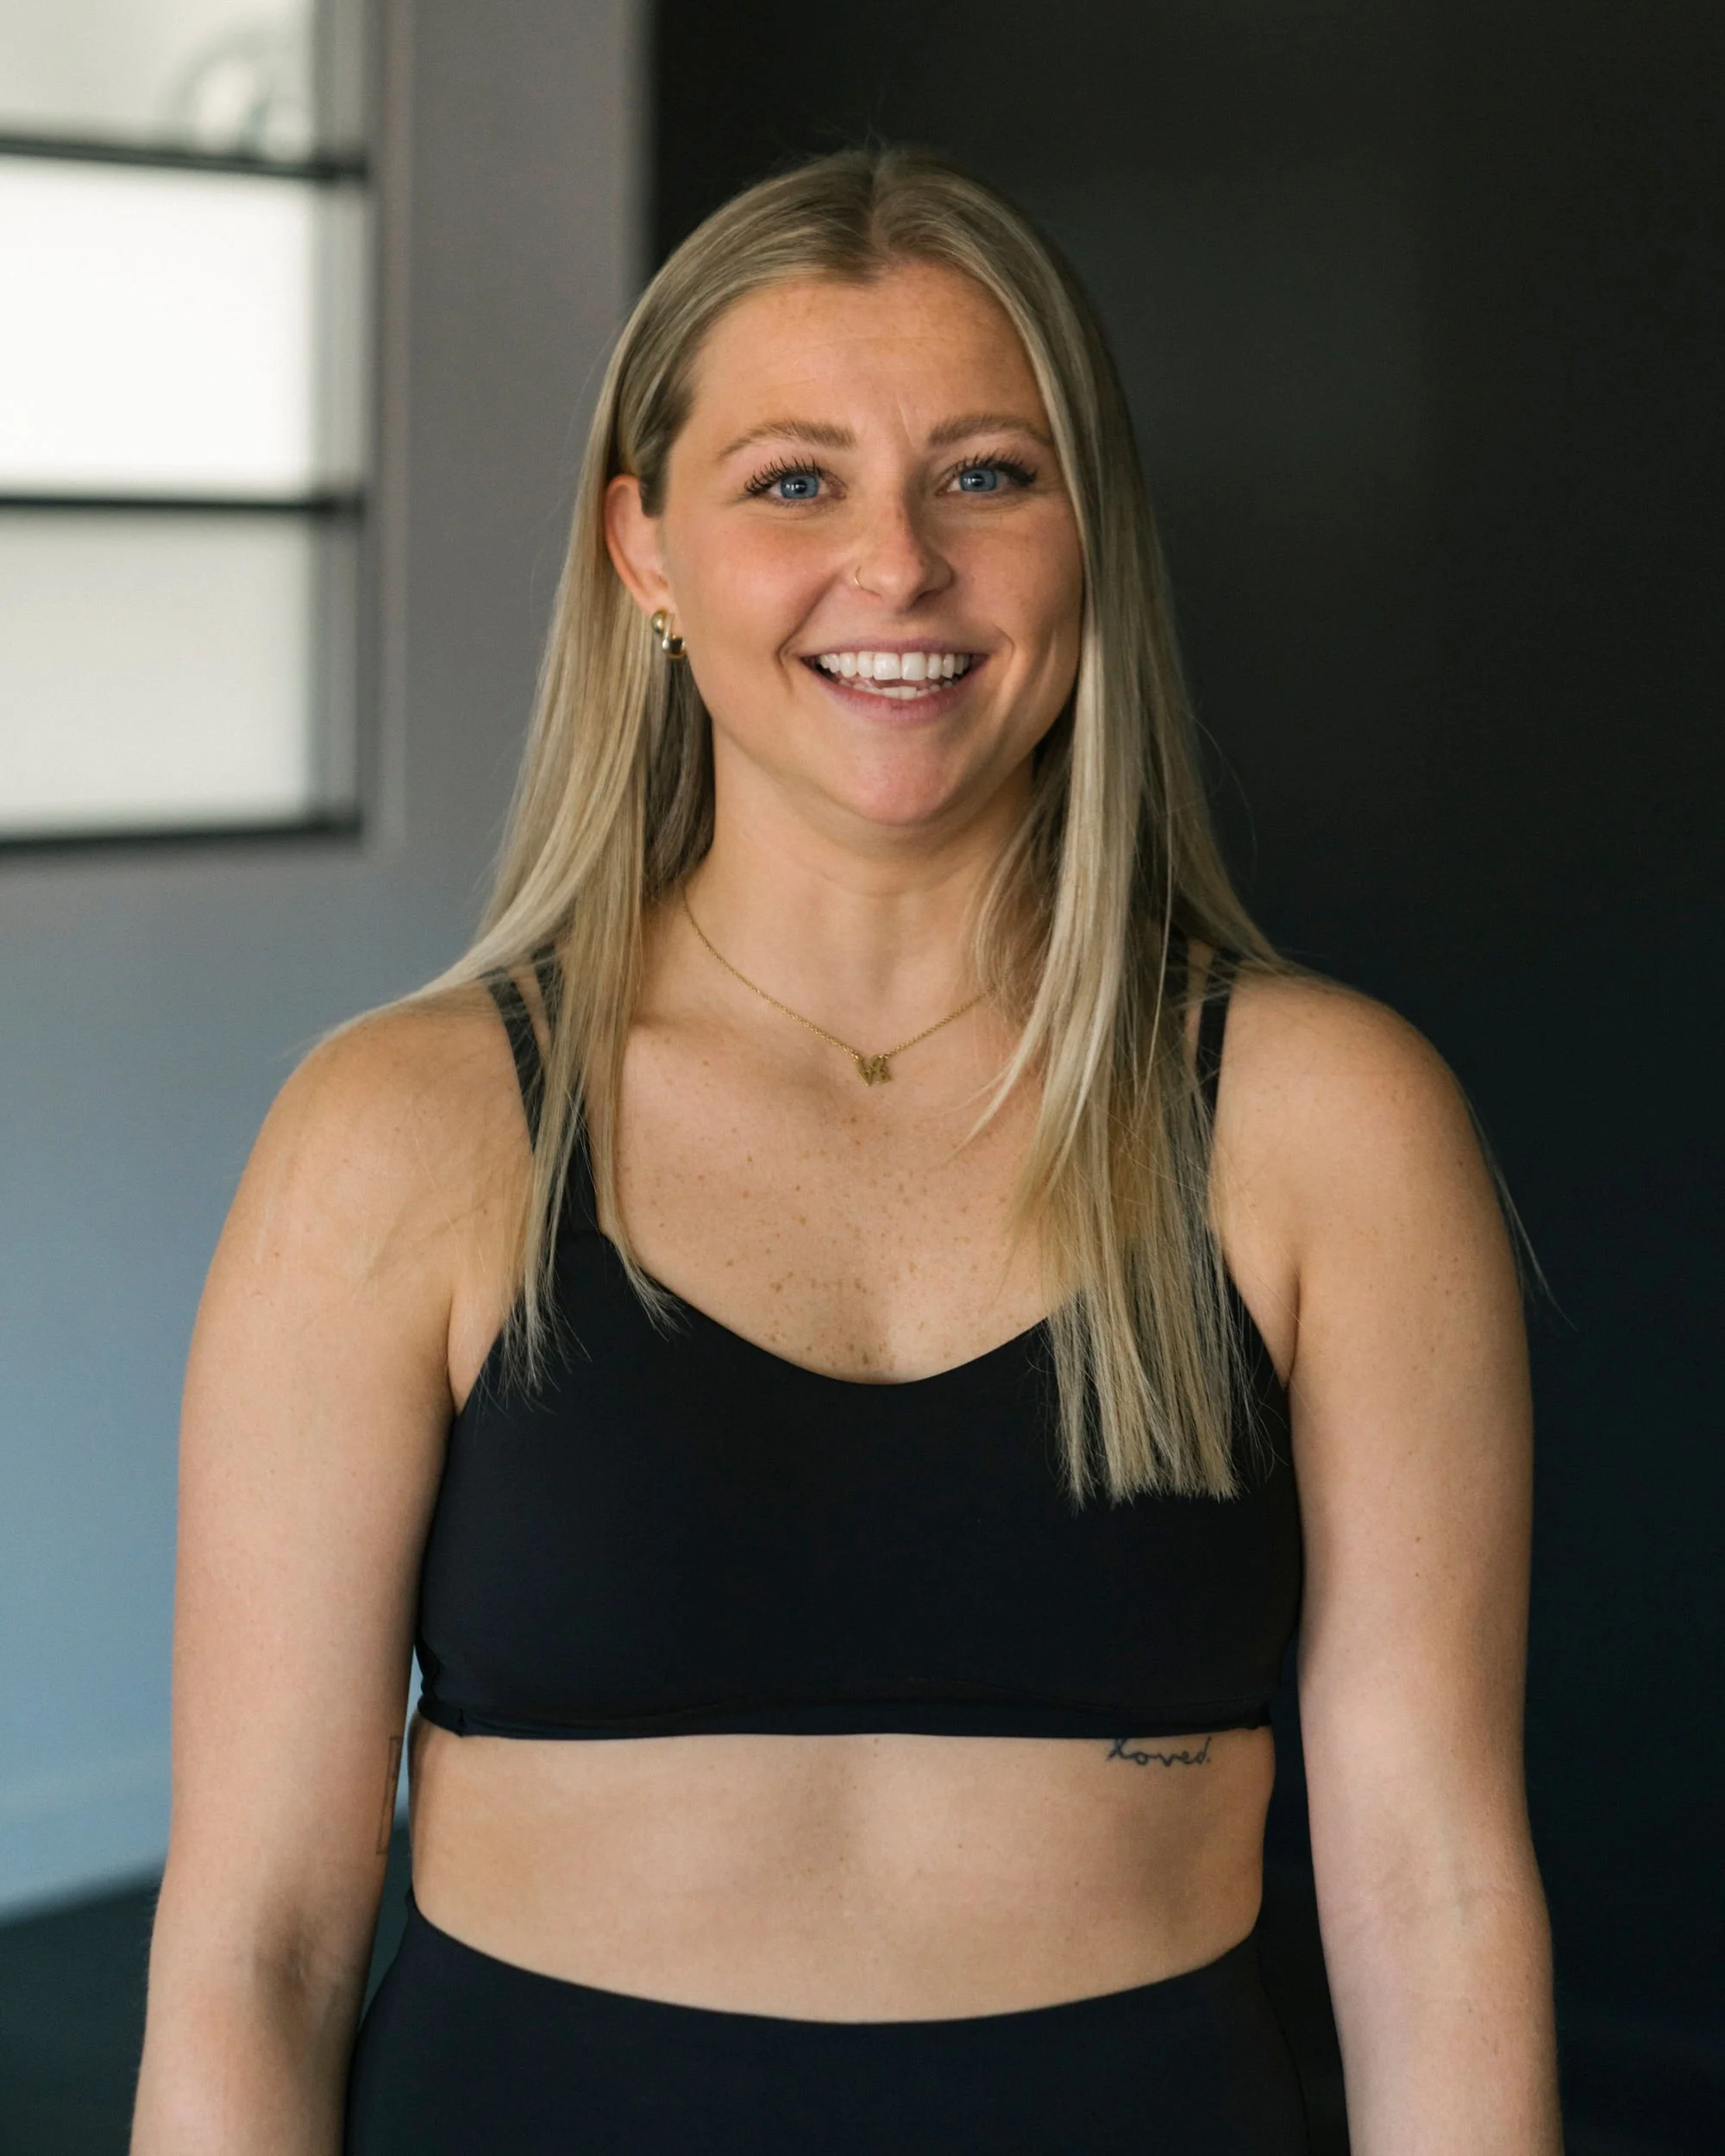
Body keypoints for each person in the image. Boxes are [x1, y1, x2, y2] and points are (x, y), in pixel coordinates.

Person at [131, 149, 1561, 2154]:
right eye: (792, 479)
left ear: (1091, 533)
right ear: (643, 549)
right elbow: (258, 1940)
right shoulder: (405, 1127)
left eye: (986, 472)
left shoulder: (1324, 1120)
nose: (895, 567)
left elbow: (1433, 1896)